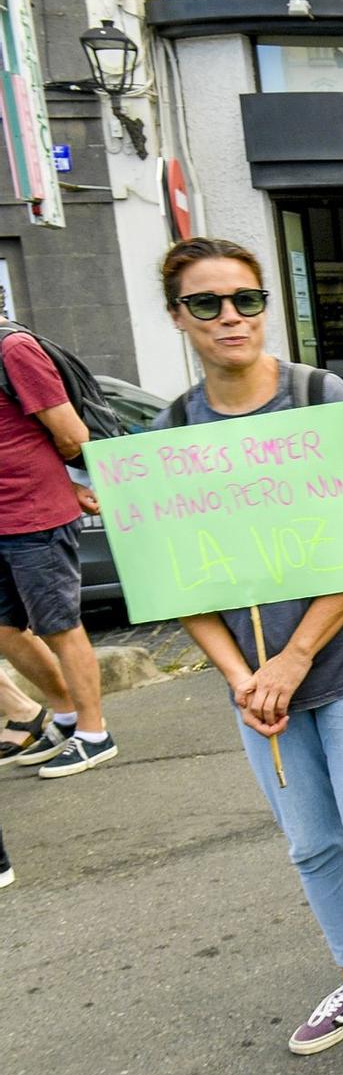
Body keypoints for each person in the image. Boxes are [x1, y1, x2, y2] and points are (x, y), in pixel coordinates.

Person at [155, 236, 343, 1075]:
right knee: (314, 844)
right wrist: (237, 672)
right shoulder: (175, 427)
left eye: (246, 299)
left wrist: (289, 656)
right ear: (179, 316)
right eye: (206, 303)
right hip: (260, 682)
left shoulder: (319, 397)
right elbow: (179, 575)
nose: (229, 318)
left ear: (266, 306)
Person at [0, 315, 117, 777]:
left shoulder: (13, 350)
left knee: (59, 625)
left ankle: (94, 732)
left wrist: (66, 482)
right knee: (5, 629)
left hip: (35, 514)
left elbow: (71, 434)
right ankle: (65, 715)